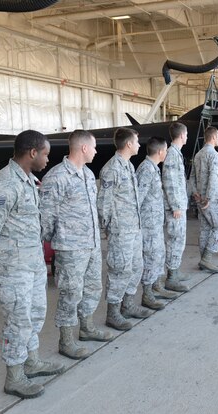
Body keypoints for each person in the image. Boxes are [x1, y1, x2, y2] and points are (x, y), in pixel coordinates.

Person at [0, 130, 64, 399]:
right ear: (33, 153)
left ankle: (32, 362)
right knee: (18, 321)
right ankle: (14, 377)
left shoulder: (28, 179)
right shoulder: (5, 183)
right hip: (12, 266)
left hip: (32, 262)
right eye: (46, 154)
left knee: (36, 313)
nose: (48, 159)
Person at [40, 130, 113, 361]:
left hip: (91, 244)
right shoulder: (57, 176)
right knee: (70, 294)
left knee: (92, 288)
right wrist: (57, 241)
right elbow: (46, 216)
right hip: (70, 248)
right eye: (93, 147)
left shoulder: (88, 175)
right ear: (83, 148)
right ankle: (66, 340)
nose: (95, 151)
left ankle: (87, 327)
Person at [97, 128, 154, 330]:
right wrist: (109, 228)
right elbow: (103, 202)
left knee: (136, 266)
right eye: (137, 141)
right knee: (120, 270)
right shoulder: (112, 169)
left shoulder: (128, 166)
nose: (139, 145)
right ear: (129, 144)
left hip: (134, 228)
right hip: (121, 230)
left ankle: (127, 305)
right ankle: (113, 313)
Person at [188, 126, 218, 273]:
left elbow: (191, 176)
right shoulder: (213, 155)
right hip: (210, 199)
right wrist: (208, 198)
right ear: (214, 137)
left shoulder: (198, 155)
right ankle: (207, 258)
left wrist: (195, 193)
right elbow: (212, 177)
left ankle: (203, 260)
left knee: (205, 228)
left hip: (199, 198)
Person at [136, 137, 168, 310]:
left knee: (158, 255)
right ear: (160, 151)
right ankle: (147, 295)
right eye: (166, 149)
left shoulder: (153, 168)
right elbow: (138, 198)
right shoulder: (146, 170)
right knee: (150, 257)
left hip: (155, 222)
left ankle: (156, 286)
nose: (167, 152)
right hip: (148, 224)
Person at [161, 122, 190, 294]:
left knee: (180, 240)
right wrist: (175, 205)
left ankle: (176, 271)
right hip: (175, 207)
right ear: (181, 135)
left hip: (179, 204)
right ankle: (171, 277)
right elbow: (169, 181)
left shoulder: (175, 154)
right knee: (174, 240)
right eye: (186, 134)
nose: (187, 137)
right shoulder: (172, 154)